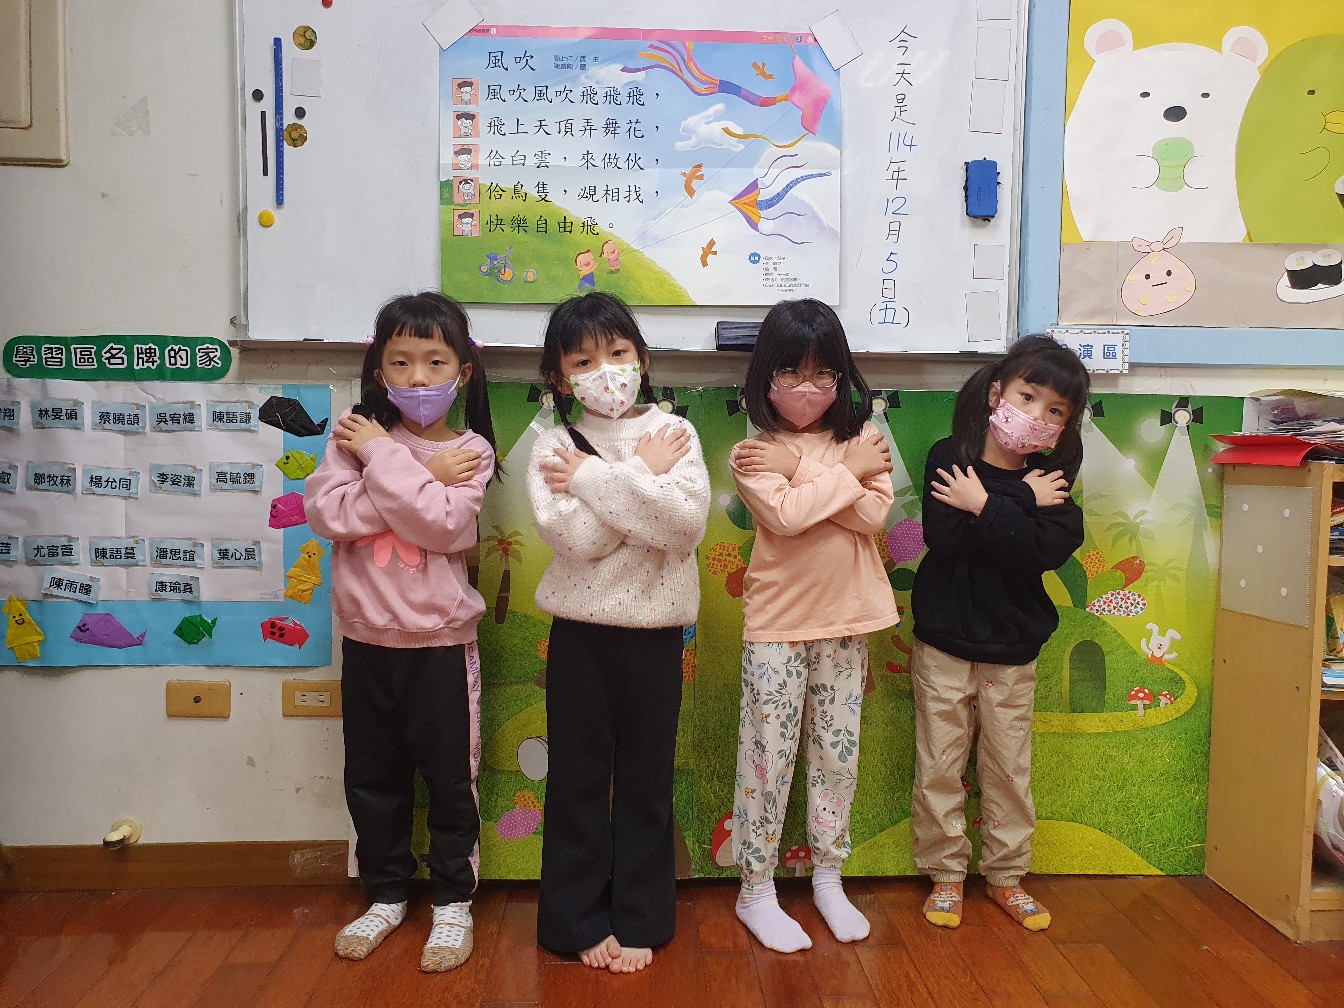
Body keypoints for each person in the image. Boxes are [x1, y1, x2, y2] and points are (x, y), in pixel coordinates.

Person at [305, 291, 498, 972]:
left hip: (440, 645)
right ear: (379, 370)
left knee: (449, 781)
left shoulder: (469, 451)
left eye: (435, 362)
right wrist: (415, 474)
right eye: (401, 362)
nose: (418, 377)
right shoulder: (353, 436)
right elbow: (327, 515)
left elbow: (443, 526)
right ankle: (386, 894)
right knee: (372, 779)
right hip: (367, 643)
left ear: (462, 372)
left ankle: (452, 902)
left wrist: (389, 461)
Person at [527, 292, 710, 973]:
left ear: (643, 359)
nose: (605, 370)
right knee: (577, 780)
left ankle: (642, 917)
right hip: (580, 639)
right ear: (559, 377)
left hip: (656, 639)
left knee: (646, 783)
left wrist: (595, 482)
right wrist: (637, 477)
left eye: (618, 353)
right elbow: (575, 539)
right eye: (583, 361)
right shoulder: (553, 447)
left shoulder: (675, 435)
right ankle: (573, 918)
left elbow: (683, 527)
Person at [729, 298, 900, 953]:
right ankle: (756, 890)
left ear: (842, 376)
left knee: (836, 754)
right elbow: (787, 519)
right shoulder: (754, 451)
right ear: (764, 376)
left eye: (822, 374)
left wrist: (807, 474)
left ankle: (829, 878)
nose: (807, 388)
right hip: (777, 621)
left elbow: (872, 517)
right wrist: (844, 478)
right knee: (766, 758)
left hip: (848, 616)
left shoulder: (863, 438)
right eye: (790, 373)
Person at [909, 335, 1090, 932]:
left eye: (1055, 410)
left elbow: (1037, 552)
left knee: (1009, 769)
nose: (1036, 415)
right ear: (996, 393)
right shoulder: (949, 457)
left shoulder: (1053, 480)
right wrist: (1018, 501)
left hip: (1013, 647)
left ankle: (1007, 876)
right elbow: (946, 538)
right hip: (944, 640)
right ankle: (945, 874)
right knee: (940, 765)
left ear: (1065, 425)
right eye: (1027, 397)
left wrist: (986, 503)